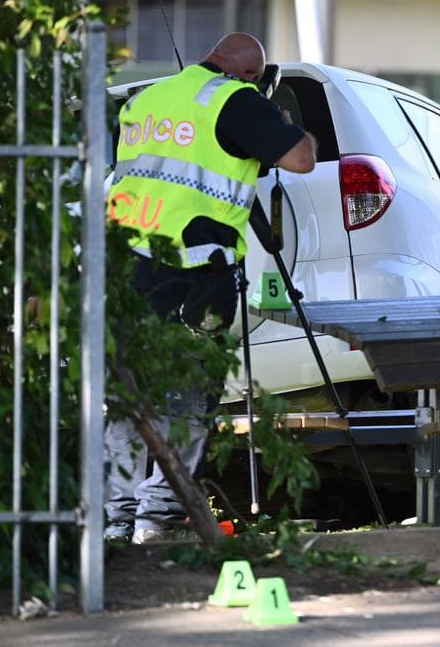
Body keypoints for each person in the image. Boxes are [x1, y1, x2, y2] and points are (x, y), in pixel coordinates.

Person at [103, 33, 316, 544]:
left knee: (125, 395)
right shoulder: (234, 100)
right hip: (193, 273)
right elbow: (302, 157)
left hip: (125, 267)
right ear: (251, 75)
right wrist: (277, 119)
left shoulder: (147, 98)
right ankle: (156, 522)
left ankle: (113, 520)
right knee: (184, 398)